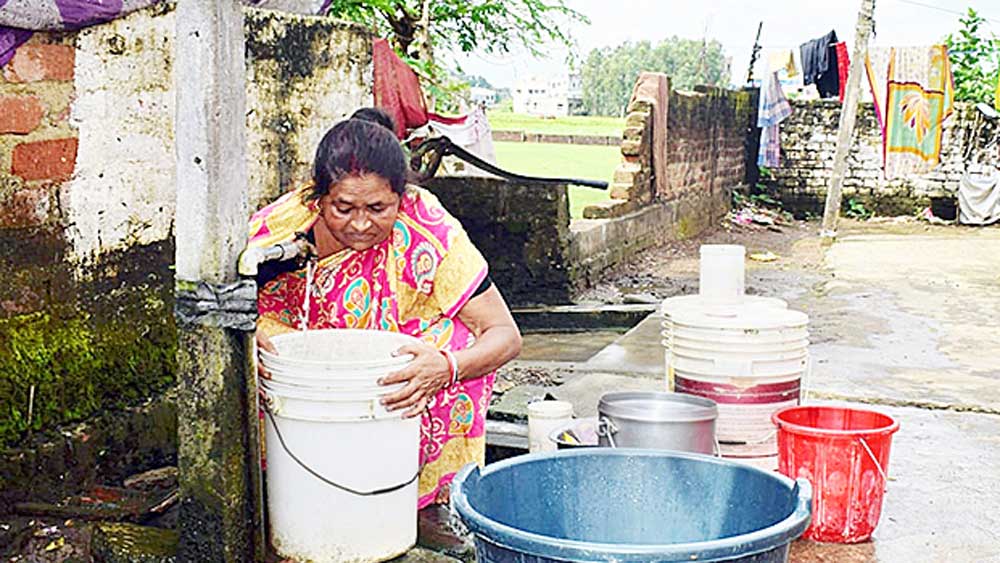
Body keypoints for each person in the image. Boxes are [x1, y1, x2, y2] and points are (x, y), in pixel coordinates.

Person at [248, 110, 522, 508]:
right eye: (343, 208)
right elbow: (222, 300)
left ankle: (403, 492)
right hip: (306, 356)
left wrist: (446, 368)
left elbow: (504, 335)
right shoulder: (285, 226)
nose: (360, 225)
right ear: (317, 198)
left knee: (456, 340)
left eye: (378, 209)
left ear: (402, 196)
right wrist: (249, 331)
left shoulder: (429, 230)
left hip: (391, 355)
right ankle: (296, 482)